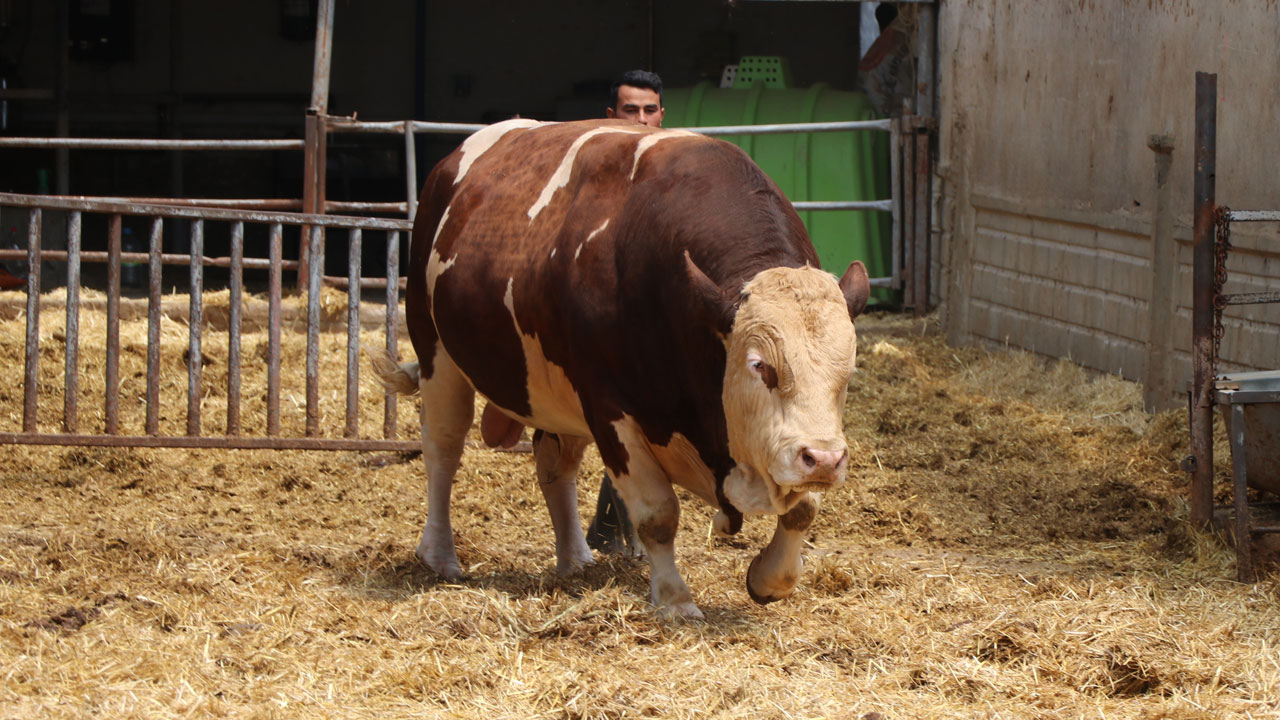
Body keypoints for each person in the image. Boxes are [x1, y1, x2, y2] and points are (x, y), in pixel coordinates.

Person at [584, 70, 665, 556]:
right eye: (630, 110)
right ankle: (606, 531)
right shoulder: (595, 170)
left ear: (661, 114)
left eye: (649, 110)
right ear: (610, 116)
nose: (641, 119)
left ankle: (613, 529)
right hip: (597, 311)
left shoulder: (673, 167)